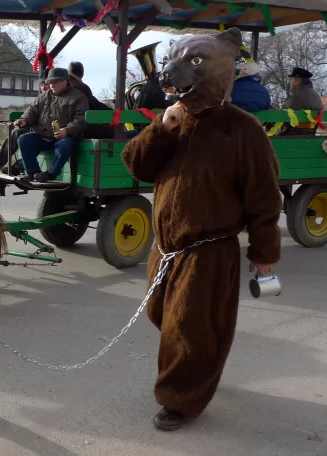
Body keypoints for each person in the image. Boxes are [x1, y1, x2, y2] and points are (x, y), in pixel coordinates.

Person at [122, 28, 281, 431]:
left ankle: (180, 399)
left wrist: (264, 255)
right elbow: (136, 166)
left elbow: (264, 197)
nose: (173, 70)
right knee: (163, 314)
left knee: (188, 325)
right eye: (173, 58)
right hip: (166, 247)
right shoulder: (175, 120)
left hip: (209, 249)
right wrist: (161, 128)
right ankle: (201, 365)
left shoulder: (242, 129)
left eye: (193, 61)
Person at [16, 67, 89, 182]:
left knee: (65, 144)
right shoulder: (43, 97)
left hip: (65, 137)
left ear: (64, 81)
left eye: (55, 82)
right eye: (50, 83)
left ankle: (52, 173)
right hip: (44, 136)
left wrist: (67, 131)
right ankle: (33, 173)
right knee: (23, 139)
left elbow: (81, 120)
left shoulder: (78, 97)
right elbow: (32, 111)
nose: (51, 86)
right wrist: (24, 120)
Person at [0, 80, 49, 175]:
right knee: (17, 132)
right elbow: (30, 112)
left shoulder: (55, 99)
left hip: (47, 133)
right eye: (42, 85)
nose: (44, 87)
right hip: (35, 130)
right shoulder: (40, 99)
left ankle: (16, 168)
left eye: (46, 85)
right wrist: (23, 120)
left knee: (29, 142)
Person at [67, 61, 115, 139]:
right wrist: (113, 112)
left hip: (68, 125)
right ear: (82, 73)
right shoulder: (81, 87)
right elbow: (95, 105)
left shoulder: (65, 85)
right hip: (79, 126)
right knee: (114, 131)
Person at [279, 66, 324, 135]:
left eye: (292, 79)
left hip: (295, 134)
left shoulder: (297, 96)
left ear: (298, 81)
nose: (291, 82)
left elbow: (283, 115)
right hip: (310, 133)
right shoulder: (315, 94)